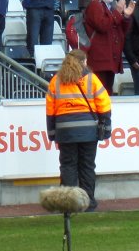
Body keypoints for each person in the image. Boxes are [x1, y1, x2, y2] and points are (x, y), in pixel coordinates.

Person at [45, 49, 111, 212]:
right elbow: (104, 104)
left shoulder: (56, 81)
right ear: (84, 62)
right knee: (87, 166)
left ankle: (68, 203)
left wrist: (52, 134)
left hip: (65, 130)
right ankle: (88, 202)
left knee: (68, 166)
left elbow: (50, 110)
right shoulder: (91, 79)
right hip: (88, 130)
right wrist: (106, 128)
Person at [84, 0, 135, 94]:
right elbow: (102, 26)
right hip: (100, 58)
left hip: (109, 57)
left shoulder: (109, 6)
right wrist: (117, 11)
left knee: (107, 92)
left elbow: (121, 30)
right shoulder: (95, 5)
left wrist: (126, 16)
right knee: (100, 93)